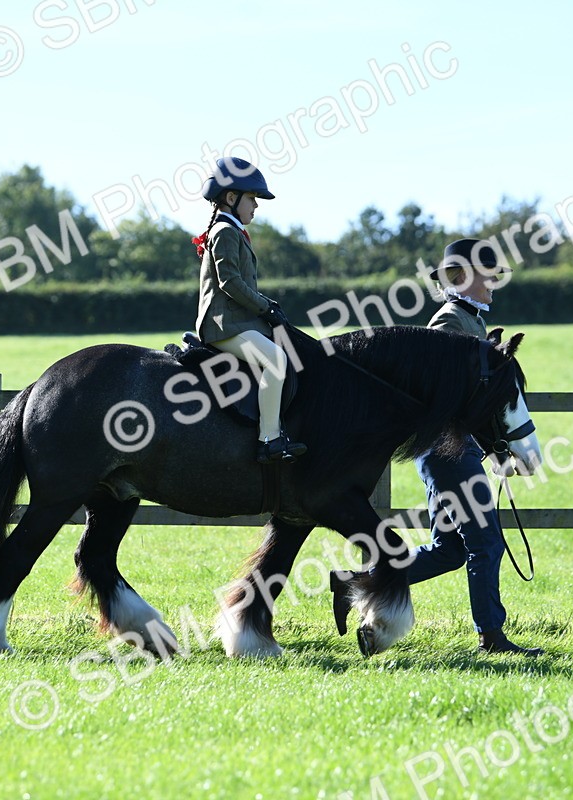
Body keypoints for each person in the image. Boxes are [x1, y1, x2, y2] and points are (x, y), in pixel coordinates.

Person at [331, 238, 542, 656]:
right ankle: (492, 637)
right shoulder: (449, 324)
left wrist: (498, 448)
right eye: (488, 277)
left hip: (451, 451)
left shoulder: (469, 320)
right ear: (462, 278)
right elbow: (444, 400)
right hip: (449, 453)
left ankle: (355, 583)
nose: (494, 285)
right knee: (486, 543)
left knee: (449, 551)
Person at [193, 157, 307, 464]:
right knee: (276, 361)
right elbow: (230, 282)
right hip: (223, 325)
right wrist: (265, 307)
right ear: (231, 198)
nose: (256, 206)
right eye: (252, 199)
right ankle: (269, 439)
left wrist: (268, 307)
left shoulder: (231, 230)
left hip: (237, 321)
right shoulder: (224, 232)